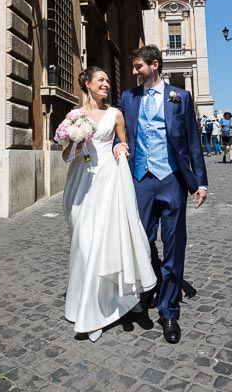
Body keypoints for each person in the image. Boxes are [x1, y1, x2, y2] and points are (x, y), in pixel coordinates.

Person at [114, 45, 208, 344]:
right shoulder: (128, 98)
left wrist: (200, 183)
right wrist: (117, 146)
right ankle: (149, 285)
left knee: (174, 244)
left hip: (171, 180)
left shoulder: (180, 96)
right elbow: (118, 133)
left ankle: (169, 309)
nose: (134, 71)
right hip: (139, 180)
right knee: (140, 241)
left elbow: (193, 142)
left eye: (139, 66)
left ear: (154, 65)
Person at [62, 67, 156, 342]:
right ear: (88, 84)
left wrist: (119, 148)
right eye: (100, 80)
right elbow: (65, 154)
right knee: (83, 242)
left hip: (108, 183)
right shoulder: (74, 116)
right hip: (81, 182)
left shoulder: (116, 114)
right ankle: (88, 302)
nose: (106, 84)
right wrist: (77, 143)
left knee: (104, 242)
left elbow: (123, 143)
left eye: (107, 81)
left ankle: (97, 313)